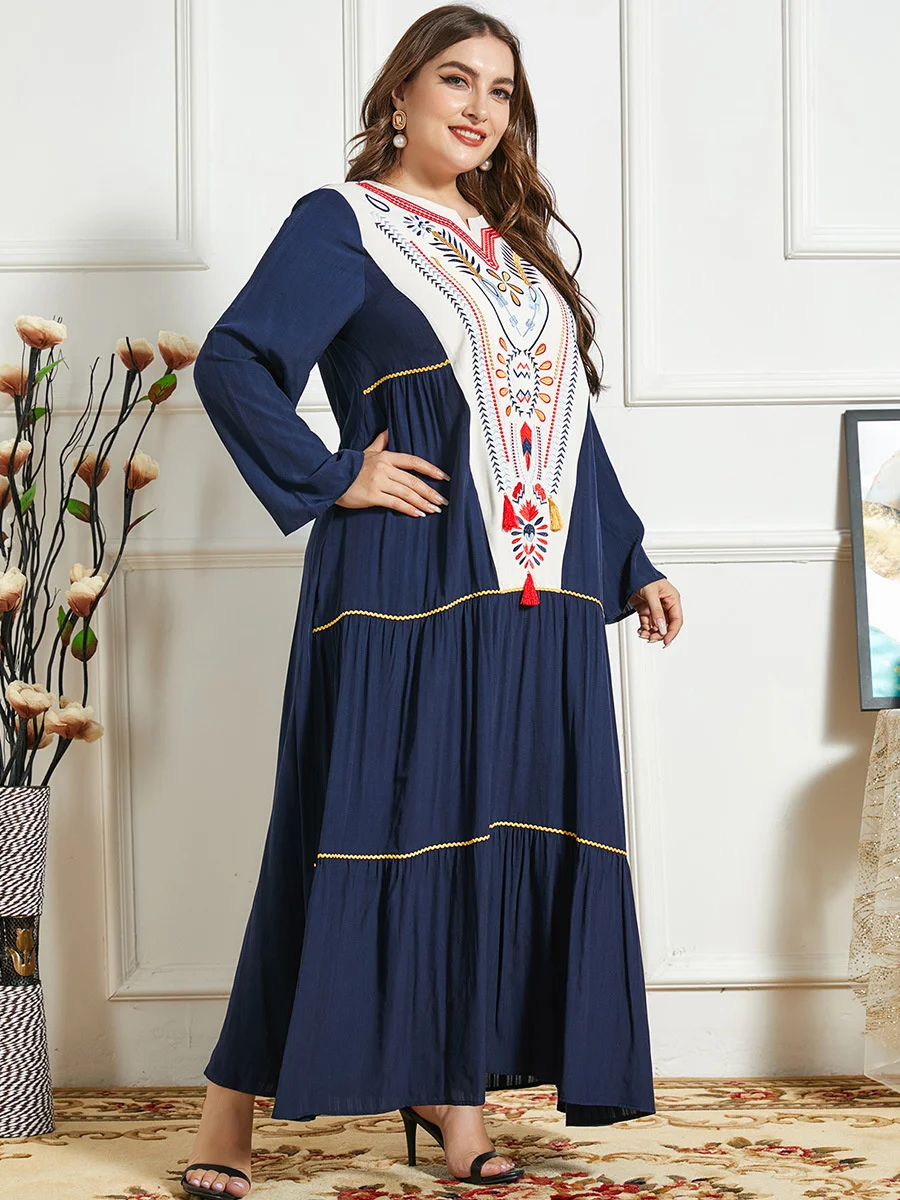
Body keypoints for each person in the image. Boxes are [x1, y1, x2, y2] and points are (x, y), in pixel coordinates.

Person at [181, 5, 683, 1196]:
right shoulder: (343, 222)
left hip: (536, 592)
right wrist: (332, 475)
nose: (479, 108)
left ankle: (458, 1108)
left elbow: (560, 425)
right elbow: (235, 359)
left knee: (495, 832)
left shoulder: (515, 253)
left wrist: (631, 559)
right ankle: (223, 1117)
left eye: (501, 92)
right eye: (456, 80)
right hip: (405, 582)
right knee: (351, 830)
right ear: (400, 94)